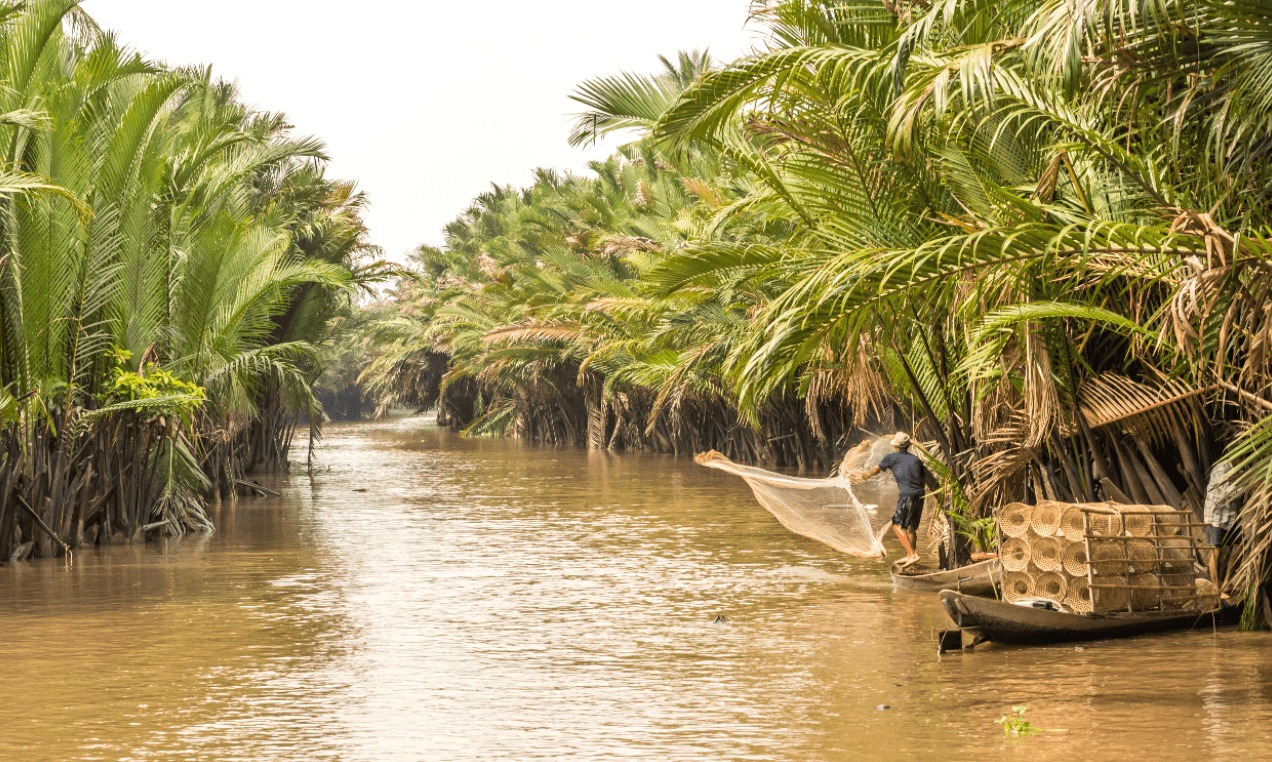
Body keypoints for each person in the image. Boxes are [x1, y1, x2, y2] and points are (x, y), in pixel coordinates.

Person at [855, 432, 928, 568]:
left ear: (895, 446)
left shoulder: (891, 457)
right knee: (911, 527)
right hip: (920, 494)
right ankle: (910, 556)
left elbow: (876, 469)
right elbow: (923, 480)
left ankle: (912, 555)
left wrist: (865, 476)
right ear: (908, 446)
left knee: (897, 526)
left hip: (907, 494)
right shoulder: (916, 460)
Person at [1203, 458, 1241, 596]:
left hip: (1230, 517)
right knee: (1216, 550)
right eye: (1241, 458)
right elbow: (1226, 494)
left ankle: (1226, 583)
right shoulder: (1220, 469)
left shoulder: (1239, 468)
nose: (1241, 461)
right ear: (1237, 457)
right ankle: (1214, 589)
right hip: (1215, 517)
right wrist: (1243, 484)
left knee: (1239, 546)